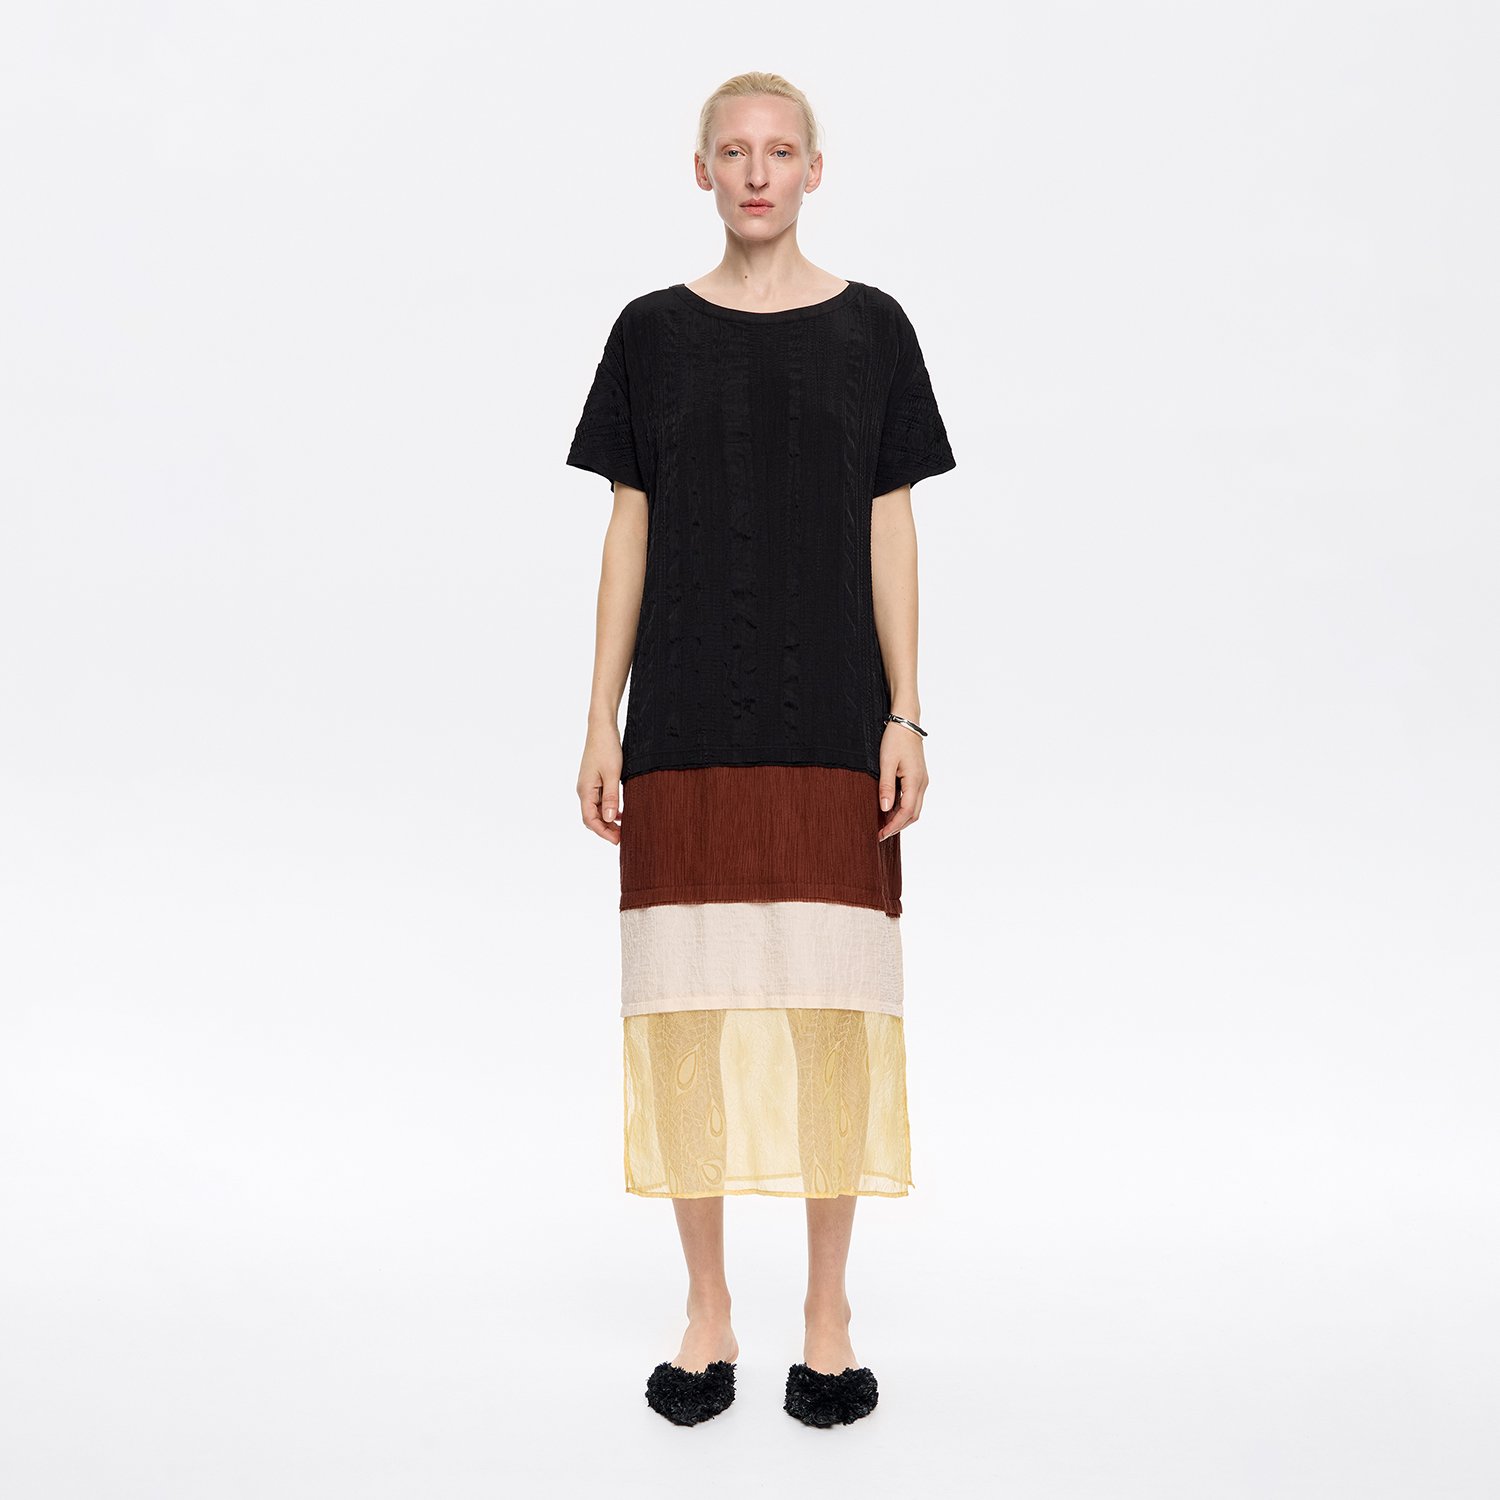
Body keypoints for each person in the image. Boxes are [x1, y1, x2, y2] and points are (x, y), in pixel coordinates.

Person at [566, 71, 957, 1429]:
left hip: (832, 722)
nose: (755, 172)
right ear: (700, 170)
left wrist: (906, 712)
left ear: (813, 170)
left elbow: (892, 525)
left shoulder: (874, 330)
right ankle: (708, 1306)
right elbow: (628, 527)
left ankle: (828, 1312)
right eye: (732, 150)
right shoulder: (650, 333)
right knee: (685, 1010)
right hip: (682, 721)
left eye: (779, 150)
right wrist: (600, 716)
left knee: (831, 1018)